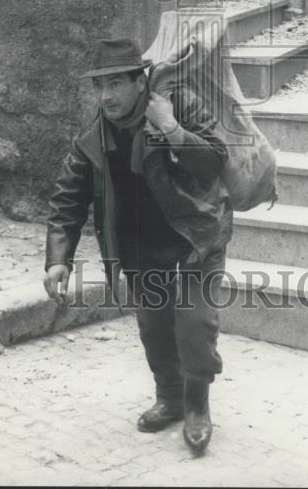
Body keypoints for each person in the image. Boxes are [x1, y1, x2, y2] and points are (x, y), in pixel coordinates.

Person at [43, 38, 232, 455]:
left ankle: (198, 403)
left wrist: (171, 128)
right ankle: (170, 397)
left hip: (196, 236)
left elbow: (216, 159)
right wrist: (59, 259)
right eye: (98, 86)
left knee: (195, 323)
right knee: (154, 326)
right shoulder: (94, 137)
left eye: (114, 84)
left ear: (138, 80)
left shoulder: (178, 104)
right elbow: (67, 199)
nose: (105, 96)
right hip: (142, 246)